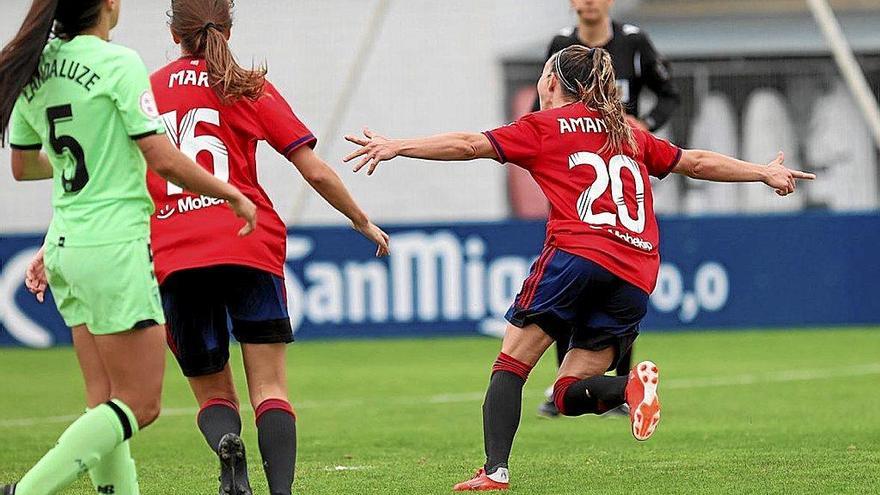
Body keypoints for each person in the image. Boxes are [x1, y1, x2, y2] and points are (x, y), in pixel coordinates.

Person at [343, 45, 813, 491]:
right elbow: (695, 161)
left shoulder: (544, 125)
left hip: (578, 255)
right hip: (635, 270)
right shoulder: (625, 132)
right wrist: (762, 171)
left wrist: (397, 145)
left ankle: (496, 471)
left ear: (551, 81)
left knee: (510, 364)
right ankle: (629, 389)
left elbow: (470, 144)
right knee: (568, 393)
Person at [1, 0, 257, 494]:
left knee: (105, 403)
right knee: (141, 404)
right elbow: (162, 159)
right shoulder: (119, 62)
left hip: (66, 247)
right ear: (107, 5)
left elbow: (25, 166)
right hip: (114, 247)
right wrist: (230, 193)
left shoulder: (37, 65)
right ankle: (27, 492)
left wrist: (97, 151)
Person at [146, 1, 389, 494]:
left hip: (175, 250)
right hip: (247, 242)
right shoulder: (246, 86)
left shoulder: (143, 91)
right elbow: (314, 169)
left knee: (213, 393)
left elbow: (111, 179)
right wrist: (361, 220)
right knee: (271, 389)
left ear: (174, 33)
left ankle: (227, 445)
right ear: (229, 28)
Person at [534, 0, 682, 417]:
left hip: (622, 169)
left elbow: (670, 94)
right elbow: (539, 109)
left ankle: (619, 379)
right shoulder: (561, 45)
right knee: (579, 277)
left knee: (612, 268)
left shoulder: (633, 42)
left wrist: (646, 125)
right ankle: (581, 383)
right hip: (575, 174)